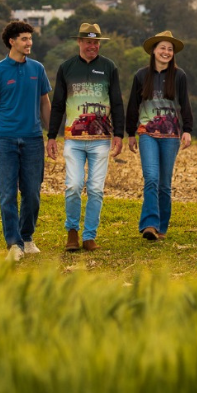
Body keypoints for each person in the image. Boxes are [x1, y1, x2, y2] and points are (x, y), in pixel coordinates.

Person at [46, 23, 124, 252]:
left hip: (101, 140)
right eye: (88, 42)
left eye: (96, 42)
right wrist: (52, 136)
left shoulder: (109, 67)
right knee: (73, 185)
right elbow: (58, 104)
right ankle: (72, 231)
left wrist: (119, 134)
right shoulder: (66, 68)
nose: (93, 46)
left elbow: (117, 102)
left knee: (96, 189)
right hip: (74, 140)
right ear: (79, 42)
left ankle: (89, 236)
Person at [0, 20, 52, 260]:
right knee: (7, 194)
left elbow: (44, 103)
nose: (29, 42)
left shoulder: (38, 69)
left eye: (30, 38)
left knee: (32, 193)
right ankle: (14, 244)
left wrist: (53, 134)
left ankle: (27, 237)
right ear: (12, 41)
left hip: (33, 139)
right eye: (24, 39)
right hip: (4, 139)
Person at [125, 30, 193, 241]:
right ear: (153, 50)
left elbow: (185, 104)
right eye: (162, 48)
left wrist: (188, 130)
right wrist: (130, 133)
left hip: (171, 135)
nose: (166, 52)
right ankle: (149, 224)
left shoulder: (179, 76)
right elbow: (133, 105)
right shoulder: (141, 75)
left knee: (164, 184)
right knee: (151, 178)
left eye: (170, 49)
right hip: (147, 133)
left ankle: (161, 227)